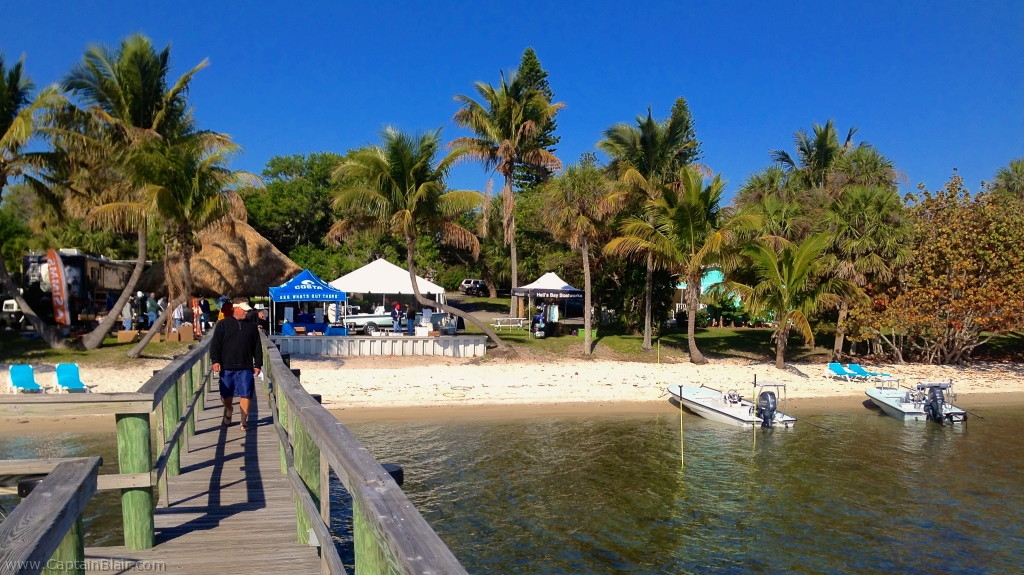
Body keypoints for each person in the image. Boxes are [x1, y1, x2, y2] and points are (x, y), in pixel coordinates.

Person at [210, 298, 262, 432]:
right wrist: (215, 361)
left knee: (246, 394)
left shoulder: (251, 326)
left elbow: (257, 346)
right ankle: (229, 409)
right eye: (244, 310)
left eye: (247, 310)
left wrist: (258, 364)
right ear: (236, 308)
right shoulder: (223, 324)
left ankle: (243, 420)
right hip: (226, 366)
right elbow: (215, 345)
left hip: (245, 366)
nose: (246, 312)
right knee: (226, 395)